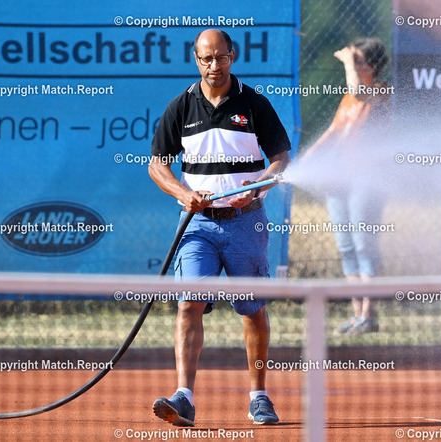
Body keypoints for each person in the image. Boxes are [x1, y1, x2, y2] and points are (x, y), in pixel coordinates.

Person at [148, 29, 291, 426]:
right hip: (196, 226)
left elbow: (281, 159)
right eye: (206, 59)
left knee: (252, 310)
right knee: (189, 304)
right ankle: (184, 397)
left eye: (221, 57)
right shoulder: (180, 106)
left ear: (233, 55)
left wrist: (257, 187)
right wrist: (183, 194)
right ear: (196, 59)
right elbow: (157, 165)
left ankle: (259, 397)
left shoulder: (255, 103)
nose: (214, 66)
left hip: (246, 223)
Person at [303, 37, 390, 334]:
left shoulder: (381, 92)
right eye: (355, 61)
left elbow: (358, 90)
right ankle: (357, 315)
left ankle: (369, 315)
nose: (354, 65)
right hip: (340, 179)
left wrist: (347, 61)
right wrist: (306, 159)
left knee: (364, 244)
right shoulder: (348, 99)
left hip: (367, 179)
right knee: (347, 246)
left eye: (359, 61)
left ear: (372, 67)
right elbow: (333, 131)